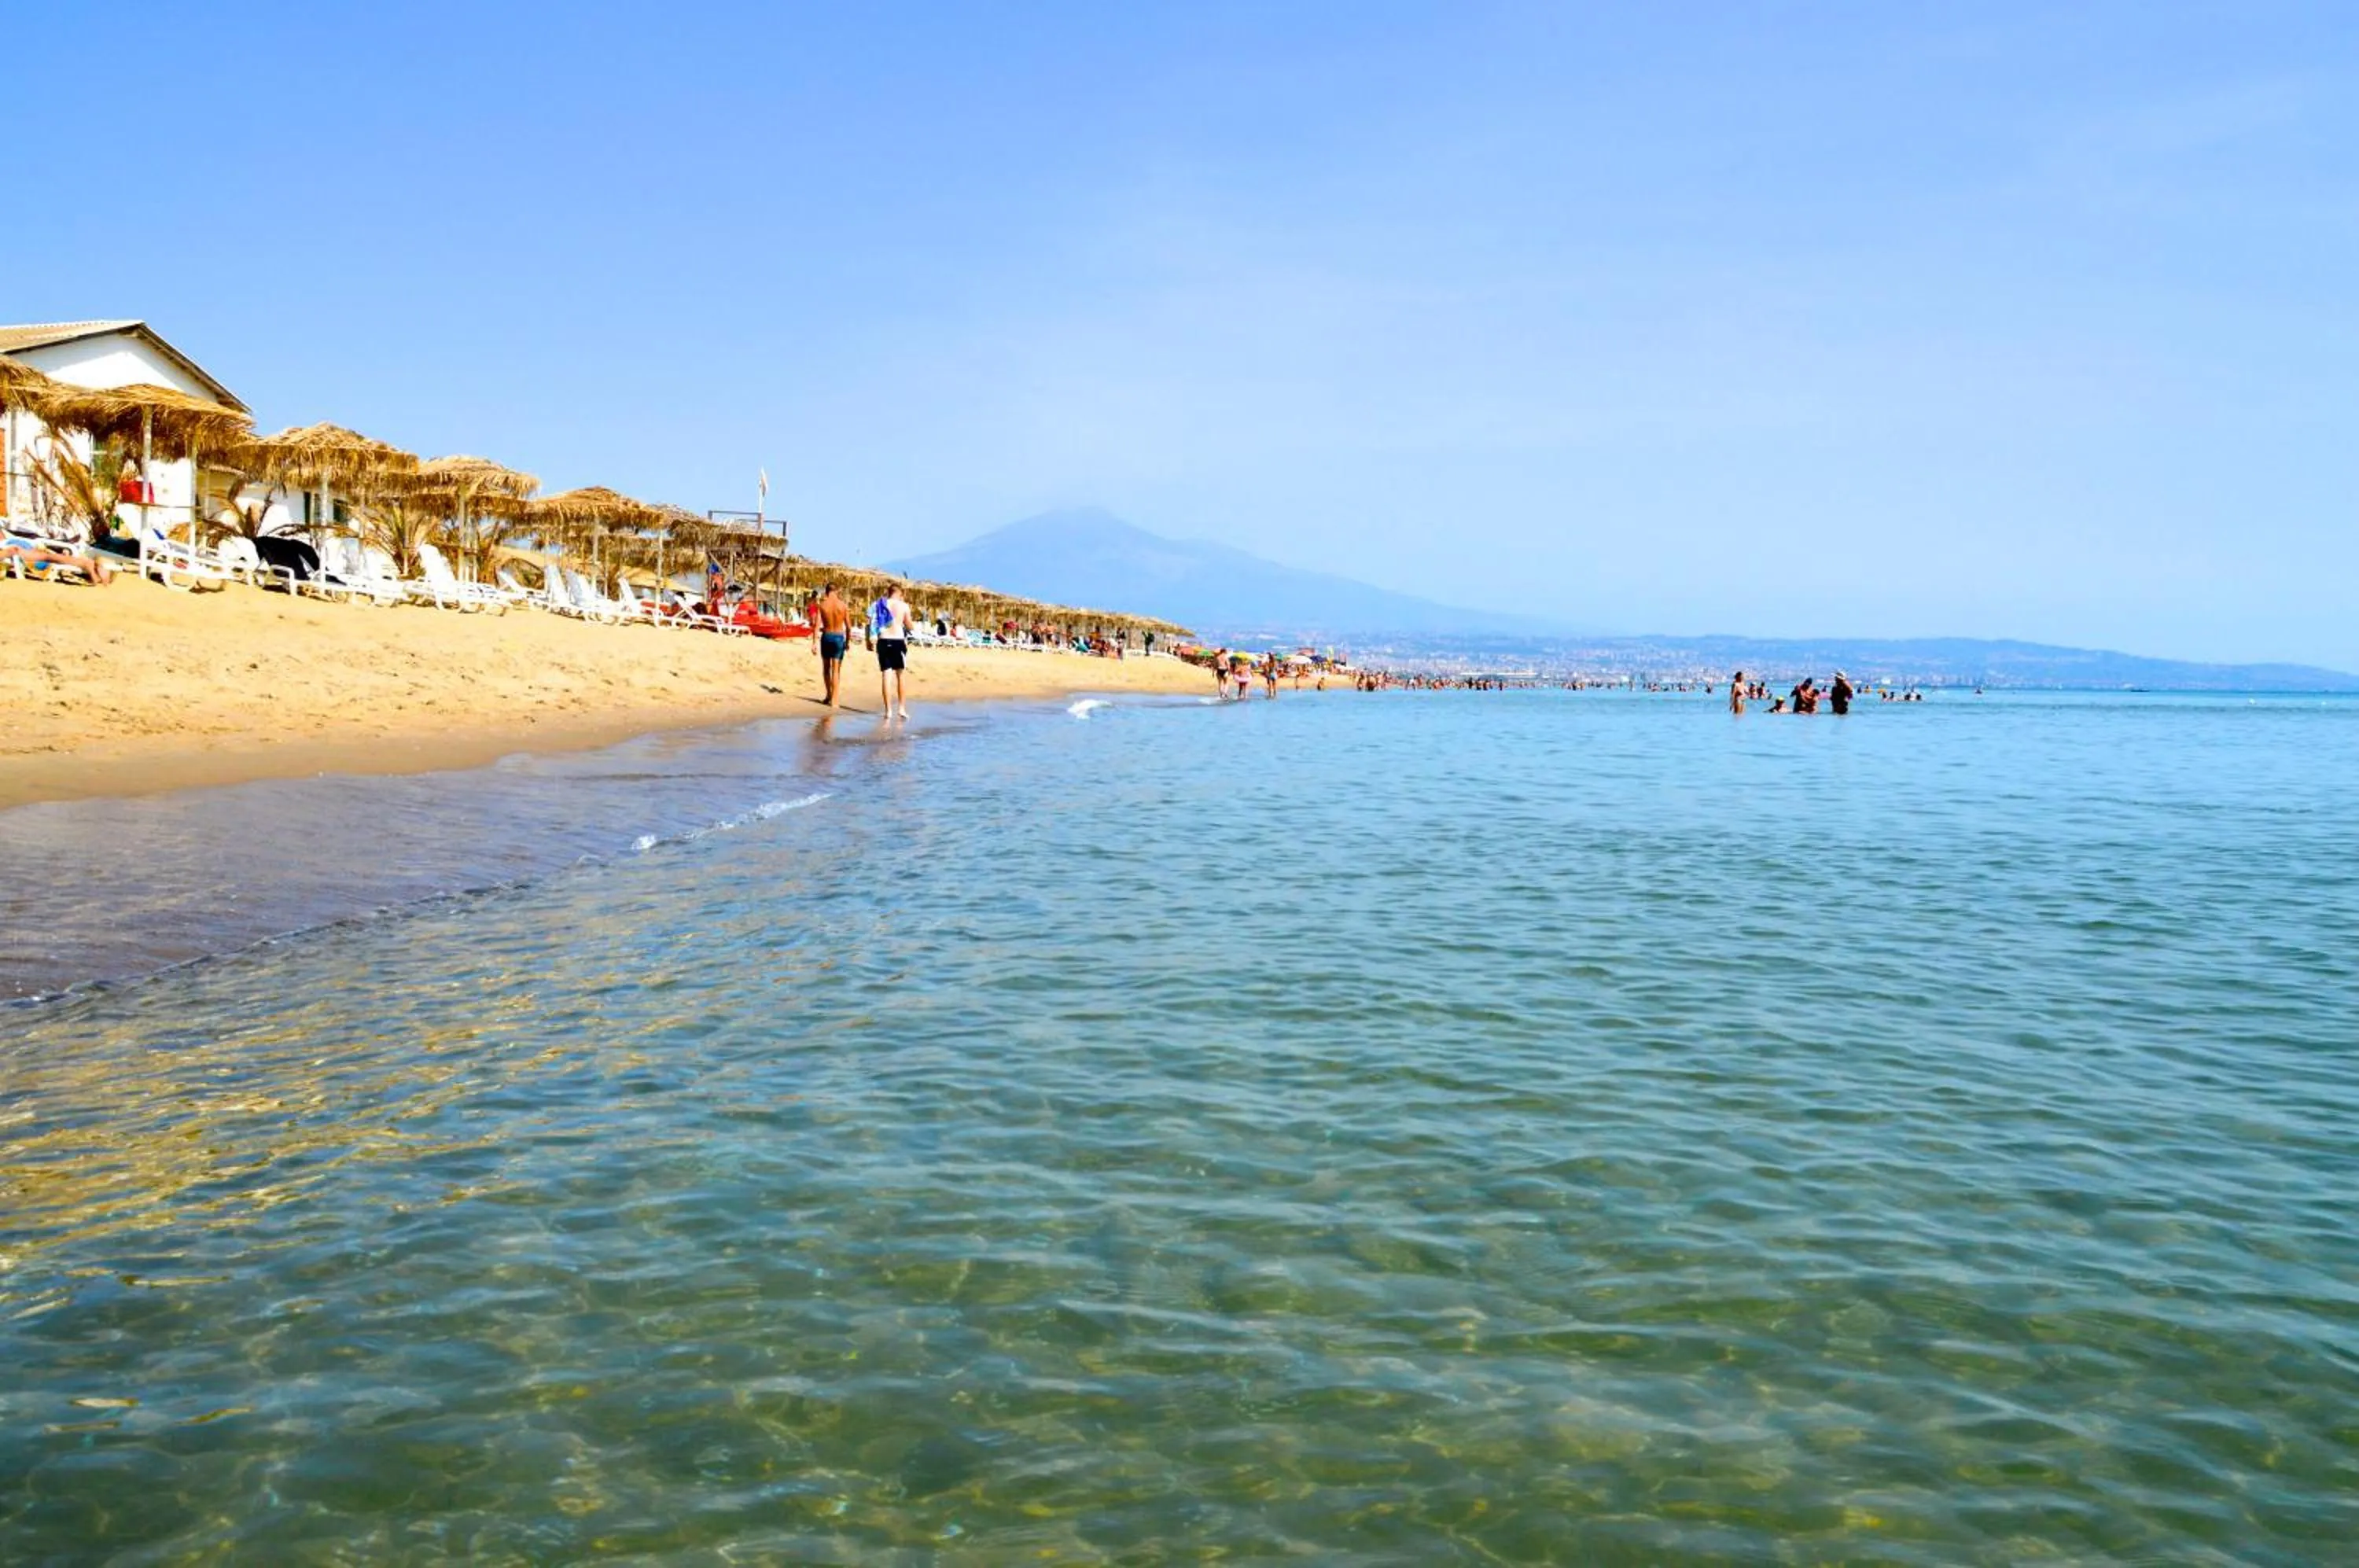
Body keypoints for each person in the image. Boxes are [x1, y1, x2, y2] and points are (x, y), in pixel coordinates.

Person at [874, 580, 913, 720]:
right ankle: (901, 709)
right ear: (899, 593)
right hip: (897, 641)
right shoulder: (903, 606)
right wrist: (911, 626)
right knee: (900, 676)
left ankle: (888, 711)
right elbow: (909, 625)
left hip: (883, 640)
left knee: (886, 676)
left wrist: (868, 639)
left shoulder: (880, 604)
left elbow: (873, 623)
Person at [815, 583, 852, 707]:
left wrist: (814, 642)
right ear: (836, 591)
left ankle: (828, 695)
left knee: (826, 669)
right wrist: (847, 642)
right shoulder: (843, 605)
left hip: (827, 636)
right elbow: (849, 627)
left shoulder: (822, 605)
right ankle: (835, 701)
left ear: (826, 592)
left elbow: (817, 625)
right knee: (836, 670)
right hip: (838, 637)